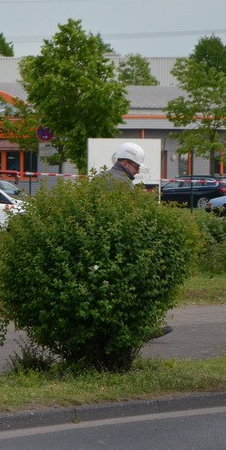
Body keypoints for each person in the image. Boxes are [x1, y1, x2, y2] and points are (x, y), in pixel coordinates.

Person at [95, 142, 173, 338]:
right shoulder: (124, 184)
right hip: (118, 245)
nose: (137, 172)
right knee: (134, 287)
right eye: (137, 167)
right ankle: (139, 330)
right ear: (126, 162)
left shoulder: (99, 178)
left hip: (97, 243)